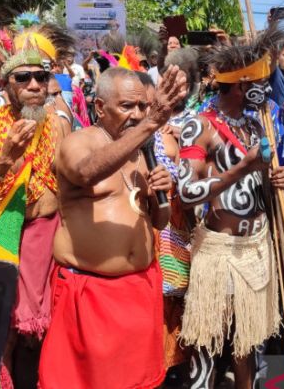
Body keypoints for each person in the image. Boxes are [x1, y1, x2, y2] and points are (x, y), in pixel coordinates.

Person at [39, 66, 186, 389]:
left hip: (139, 291)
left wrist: (161, 195)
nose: (136, 114)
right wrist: (150, 124)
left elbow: (157, 221)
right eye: (126, 106)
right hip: (92, 297)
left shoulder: (141, 149)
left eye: (142, 107)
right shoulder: (78, 142)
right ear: (99, 107)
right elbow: (86, 172)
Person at [0, 29, 73, 386]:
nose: (35, 84)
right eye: (23, 77)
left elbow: (71, 189)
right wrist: (5, 160)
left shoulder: (59, 126)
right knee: (1, 334)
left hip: (47, 242)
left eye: (42, 76)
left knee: (40, 336)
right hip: (0, 239)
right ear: (7, 84)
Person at [177, 34, 284, 389]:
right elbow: (186, 192)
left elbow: (261, 185)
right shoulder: (200, 125)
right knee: (207, 343)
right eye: (260, 82)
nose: (267, 89)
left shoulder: (259, 124)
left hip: (257, 247)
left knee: (249, 343)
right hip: (218, 250)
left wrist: (276, 179)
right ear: (242, 85)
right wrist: (242, 167)